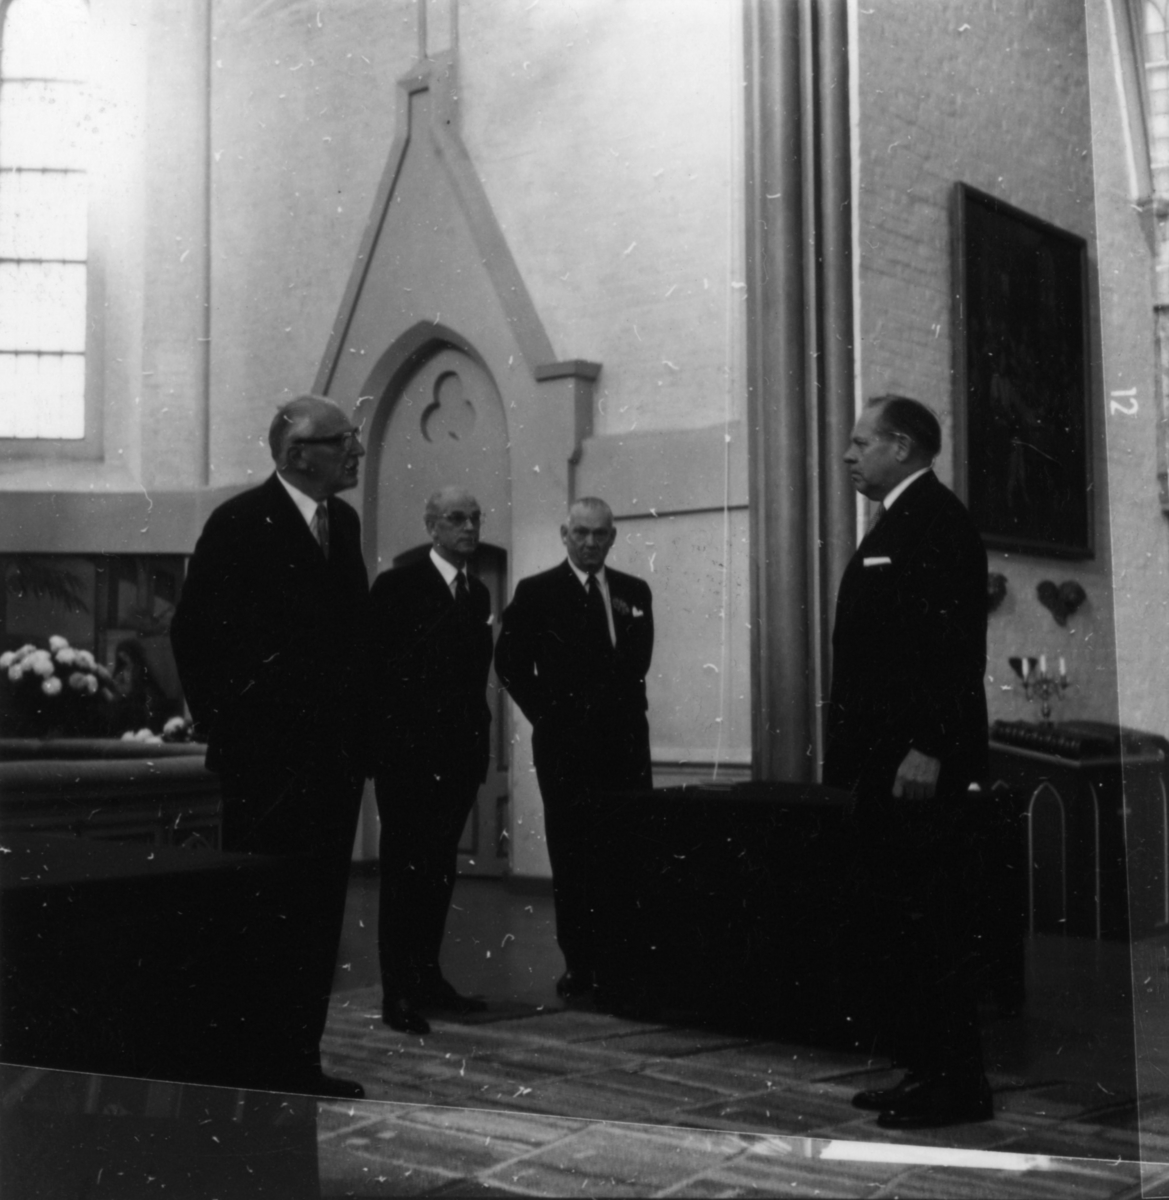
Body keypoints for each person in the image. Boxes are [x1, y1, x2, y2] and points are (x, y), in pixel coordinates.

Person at [170, 393, 370, 1099]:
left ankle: (298, 1063)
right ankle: (252, 1069)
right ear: (296, 454)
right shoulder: (238, 522)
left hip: (333, 764)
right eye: (344, 439)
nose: (357, 450)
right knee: (261, 919)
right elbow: (193, 635)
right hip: (266, 767)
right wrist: (237, 726)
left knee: (316, 920)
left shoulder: (342, 523)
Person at [824, 394, 992, 1130]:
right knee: (898, 921)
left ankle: (956, 1084)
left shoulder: (937, 521)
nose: (849, 455)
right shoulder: (899, 518)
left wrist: (930, 746)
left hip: (917, 763)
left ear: (901, 446)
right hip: (884, 761)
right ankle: (925, 1069)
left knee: (932, 924)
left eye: (861, 443)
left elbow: (952, 650)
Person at [494, 497, 653, 999]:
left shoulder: (634, 590)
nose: (590, 543)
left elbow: (637, 664)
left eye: (599, 534)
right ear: (564, 535)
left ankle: (622, 963)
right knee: (574, 855)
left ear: (612, 537)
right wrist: (549, 715)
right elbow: (510, 662)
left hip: (626, 747)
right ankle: (580, 965)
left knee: (624, 854)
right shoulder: (536, 591)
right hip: (566, 749)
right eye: (580, 533)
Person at [369, 487, 494, 1035]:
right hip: (408, 759)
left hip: (459, 757)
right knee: (404, 875)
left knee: (439, 871)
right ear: (432, 527)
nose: (469, 527)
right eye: (456, 519)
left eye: (475, 518)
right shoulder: (397, 586)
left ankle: (427, 978)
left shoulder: (477, 593)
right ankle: (396, 992)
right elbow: (375, 672)